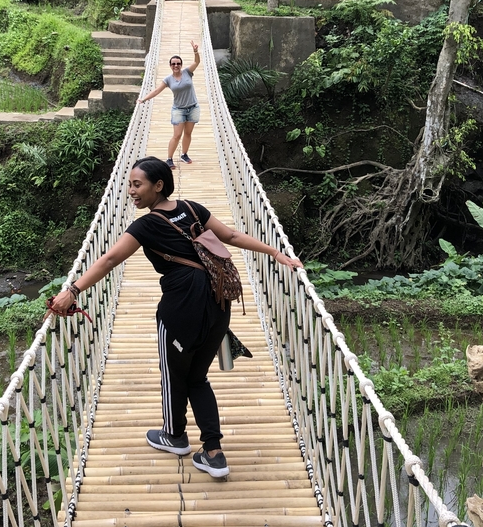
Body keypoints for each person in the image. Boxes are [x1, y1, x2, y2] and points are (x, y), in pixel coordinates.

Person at [45, 157, 303, 478]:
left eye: (137, 185)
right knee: (197, 378)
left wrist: (72, 290)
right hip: (219, 303)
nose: (130, 192)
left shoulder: (145, 225)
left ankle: (174, 435)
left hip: (183, 308)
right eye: (129, 185)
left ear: (158, 186)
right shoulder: (192, 208)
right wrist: (276, 253)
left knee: (173, 374)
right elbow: (232, 237)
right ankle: (213, 452)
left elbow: (110, 258)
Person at [139, 40, 200, 169]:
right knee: (177, 135)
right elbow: (156, 91)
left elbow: (196, 62)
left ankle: (184, 154)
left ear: (181, 64)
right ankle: (169, 159)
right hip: (178, 110)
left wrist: (195, 51)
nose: (176, 65)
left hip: (193, 107)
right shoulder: (168, 79)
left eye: (178, 63)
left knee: (188, 133)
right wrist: (143, 99)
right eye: (173, 64)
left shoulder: (187, 72)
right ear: (170, 66)